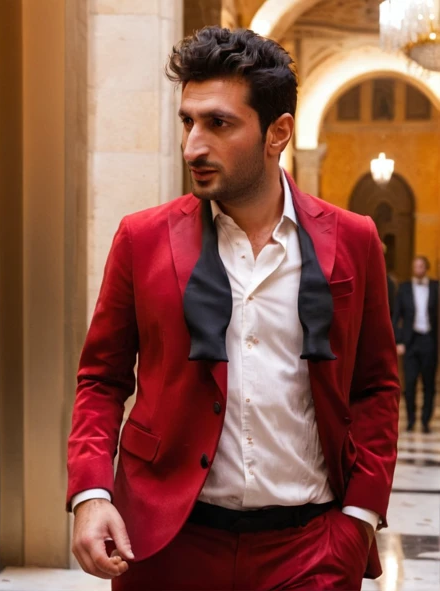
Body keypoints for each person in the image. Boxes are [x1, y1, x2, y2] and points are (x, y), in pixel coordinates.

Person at [67, 26, 400, 591]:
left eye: (218, 123)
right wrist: (91, 494)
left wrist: (359, 522)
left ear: (279, 133)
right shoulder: (141, 239)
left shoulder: (353, 238)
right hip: (167, 543)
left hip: (310, 551)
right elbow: (100, 380)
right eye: (188, 121)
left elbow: (375, 388)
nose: (193, 145)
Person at [393, 256, 438, 433]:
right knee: (409, 383)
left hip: (429, 340)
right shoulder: (404, 289)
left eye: (421, 266)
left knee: (429, 384)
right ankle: (411, 419)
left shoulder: (435, 287)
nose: (418, 269)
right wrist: (399, 341)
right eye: (415, 266)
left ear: (426, 268)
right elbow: (396, 317)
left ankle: (426, 420)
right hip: (410, 342)